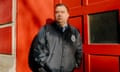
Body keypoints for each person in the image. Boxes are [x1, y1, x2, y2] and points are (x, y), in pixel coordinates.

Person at [29, 3, 82, 72]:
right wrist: (44, 64)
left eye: (62, 12)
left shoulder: (74, 32)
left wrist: (76, 64)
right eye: (57, 12)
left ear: (68, 15)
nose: (59, 14)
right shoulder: (45, 29)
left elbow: (79, 49)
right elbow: (38, 49)